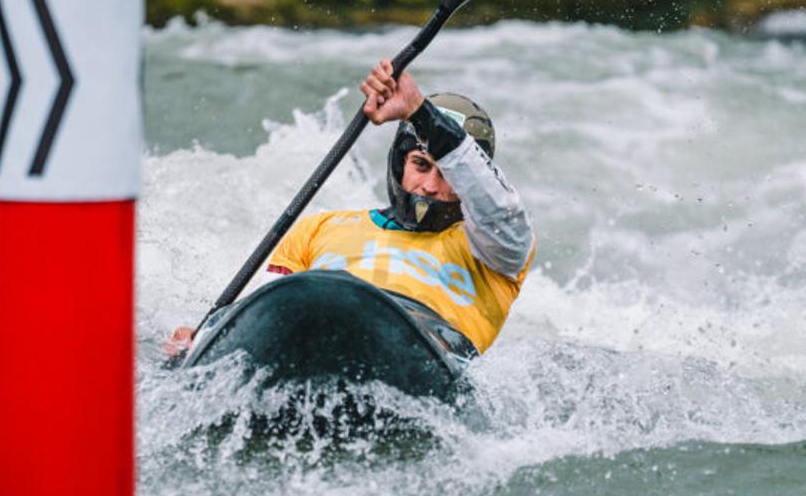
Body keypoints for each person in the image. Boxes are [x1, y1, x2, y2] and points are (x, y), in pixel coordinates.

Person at [167, 58, 535, 357]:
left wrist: (419, 112)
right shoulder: (320, 227)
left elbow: (499, 207)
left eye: (449, 175)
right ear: (399, 163)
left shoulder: (495, 250)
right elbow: (263, 317)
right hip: (312, 327)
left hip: (425, 350)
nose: (430, 186)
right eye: (421, 165)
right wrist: (204, 342)